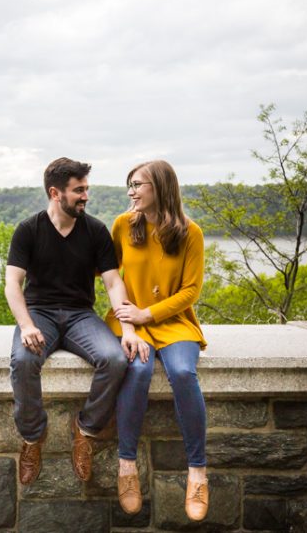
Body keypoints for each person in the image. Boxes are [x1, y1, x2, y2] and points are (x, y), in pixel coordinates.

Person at [7, 157, 144, 486]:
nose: (86, 196)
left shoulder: (95, 230)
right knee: (24, 361)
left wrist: (127, 330)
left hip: (82, 315)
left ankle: (85, 431)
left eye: (86, 189)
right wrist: (27, 326)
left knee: (114, 359)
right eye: (78, 190)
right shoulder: (29, 229)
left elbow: (113, 283)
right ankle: (32, 438)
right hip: (40, 314)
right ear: (56, 193)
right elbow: (13, 284)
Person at [106, 160, 209, 521]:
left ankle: (197, 471)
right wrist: (130, 320)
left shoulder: (190, 233)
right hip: (129, 323)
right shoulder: (122, 225)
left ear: (161, 187)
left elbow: (191, 291)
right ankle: (127, 465)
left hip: (173, 322)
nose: (132, 191)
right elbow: (109, 279)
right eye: (129, 185)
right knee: (137, 371)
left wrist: (147, 314)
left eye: (138, 184)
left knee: (182, 372)